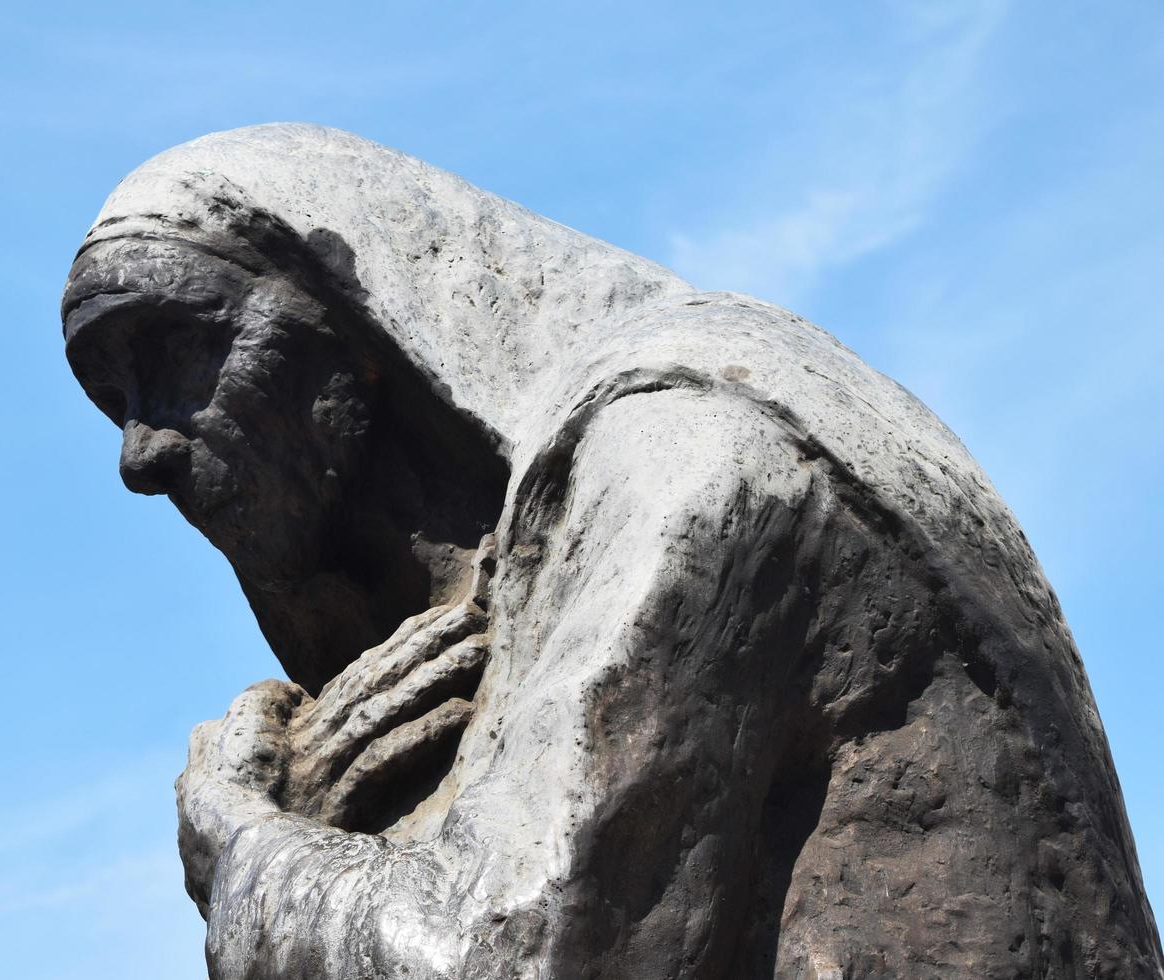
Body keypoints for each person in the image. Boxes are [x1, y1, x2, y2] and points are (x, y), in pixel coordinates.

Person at [61, 124, 1162, 979]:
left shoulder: (687, 445)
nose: (140, 450)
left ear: (351, 319)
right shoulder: (550, 540)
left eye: (179, 349)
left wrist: (242, 840)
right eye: (113, 396)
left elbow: (518, 954)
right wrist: (324, 809)